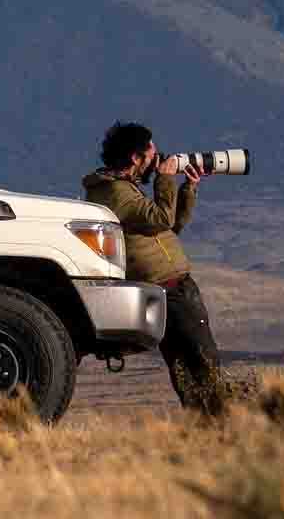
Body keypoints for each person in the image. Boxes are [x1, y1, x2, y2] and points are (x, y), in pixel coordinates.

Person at [82, 121, 222, 413]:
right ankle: (217, 423)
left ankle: (204, 425)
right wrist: (165, 179)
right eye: (151, 155)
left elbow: (169, 228)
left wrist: (188, 189)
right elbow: (161, 218)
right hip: (170, 291)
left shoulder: (121, 189)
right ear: (135, 157)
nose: (155, 161)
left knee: (185, 365)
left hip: (167, 289)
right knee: (202, 361)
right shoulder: (116, 194)